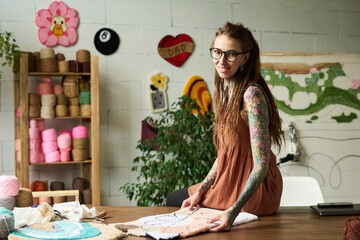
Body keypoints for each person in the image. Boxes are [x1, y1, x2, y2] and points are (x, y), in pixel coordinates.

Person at [166, 22, 284, 232]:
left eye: (230, 54)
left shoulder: (251, 94)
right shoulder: (228, 92)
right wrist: (202, 189)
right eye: (217, 52)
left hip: (255, 190)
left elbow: (261, 165)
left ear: (244, 58)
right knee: (180, 199)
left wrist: (232, 211)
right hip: (230, 177)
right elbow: (226, 155)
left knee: (174, 200)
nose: (221, 61)